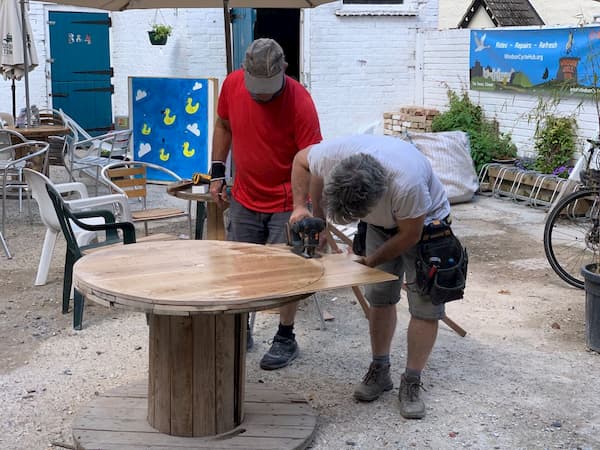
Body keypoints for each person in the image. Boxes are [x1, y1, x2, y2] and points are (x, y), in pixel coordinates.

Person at [289, 134, 452, 419]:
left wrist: (370, 261)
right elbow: (302, 162)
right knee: (379, 297)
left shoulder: (406, 183)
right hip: (381, 224)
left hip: (426, 226)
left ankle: (411, 380)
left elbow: (410, 235)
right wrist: (313, 215)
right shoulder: (331, 156)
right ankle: (380, 369)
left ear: (379, 196)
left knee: (425, 306)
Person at [209, 38, 322, 370]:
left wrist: (311, 209)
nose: (260, 95)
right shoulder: (232, 85)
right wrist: (217, 172)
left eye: (267, 89)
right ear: (244, 72)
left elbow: (314, 160)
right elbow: (223, 124)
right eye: (255, 87)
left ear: (284, 70)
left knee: (286, 273)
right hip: (245, 195)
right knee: (239, 268)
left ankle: (285, 335)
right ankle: (240, 328)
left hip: (288, 200)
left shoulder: (300, 102)